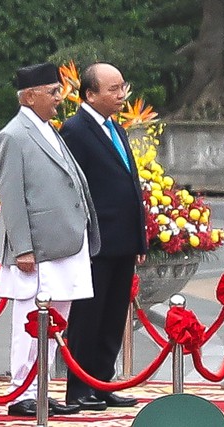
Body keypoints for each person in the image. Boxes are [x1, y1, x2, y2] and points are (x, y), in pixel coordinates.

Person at [0, 62, 101, 417]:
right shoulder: (13, 135)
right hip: (36, 249)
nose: (59, 98)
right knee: (30, 322)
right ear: (30, 95)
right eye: (53, 91)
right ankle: (20, 394)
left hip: (64, 244)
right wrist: (21, 248)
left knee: (55, 323)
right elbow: (11, 197)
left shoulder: (45, 128)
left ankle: (40, 389)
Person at [60, 62, 147, 410]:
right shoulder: (75, 130)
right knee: (88, 317)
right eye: (113, 89)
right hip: (95, 242)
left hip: (123, 240)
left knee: (113, 316)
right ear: (90, 94)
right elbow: (70, 189)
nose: (121, 95)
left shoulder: (116, 128)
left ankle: (102, 380)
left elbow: (129, 183)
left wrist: (139, 239)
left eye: (122, 87)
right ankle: (79, 387)